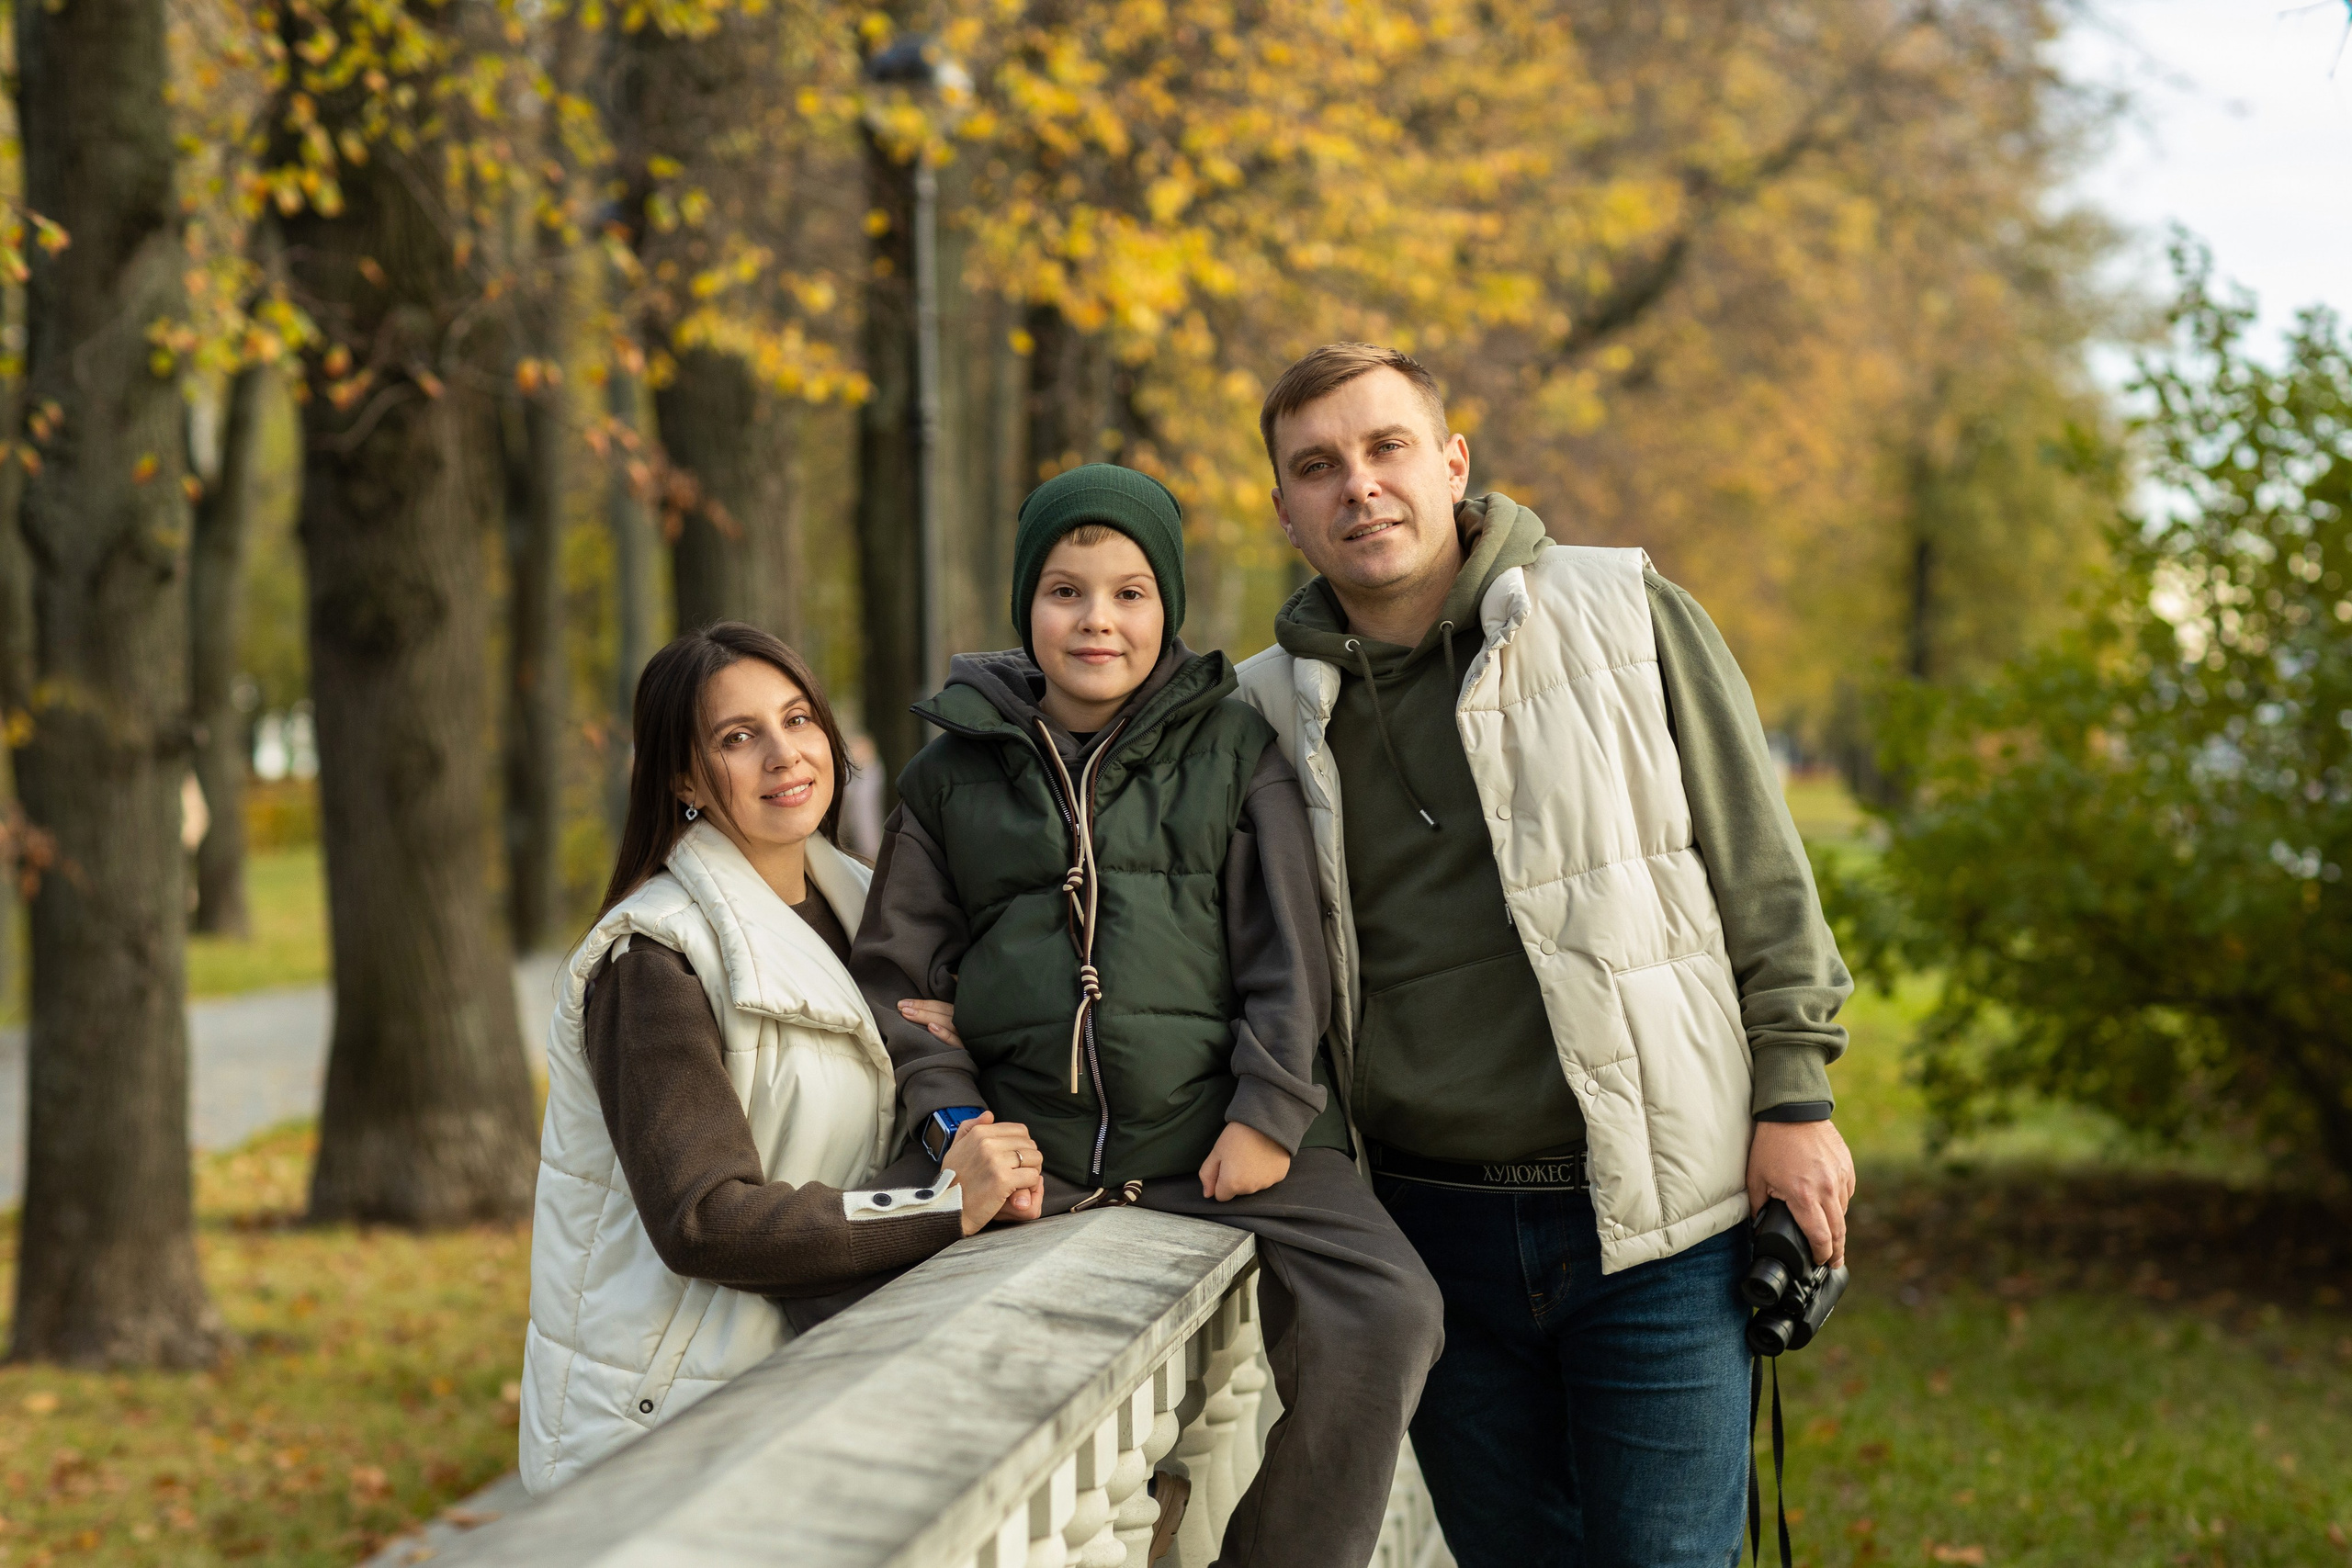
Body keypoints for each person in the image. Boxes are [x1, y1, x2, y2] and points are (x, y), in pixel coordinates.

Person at [1235, 344, 1859, 1568]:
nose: (1357, 485)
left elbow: (1763, 872)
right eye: (1318, 466)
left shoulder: (1626, 607)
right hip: (1429, 1234)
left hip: (1657, 1214)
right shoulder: (1255, 709)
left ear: (1451, 461)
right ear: (1287, 511)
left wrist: (1797, 1091)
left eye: (1385, 447)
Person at [854, 464, 1445, 1568]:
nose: (1097, 621)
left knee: (1390, 1313)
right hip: (1043, 1152)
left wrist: (1268, 1111)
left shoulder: (1230, 747)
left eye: (1130, 593)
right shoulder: (948, 776)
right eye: (1066, 591)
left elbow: (1289, 951)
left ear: (1165, 606)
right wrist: (957, 1128)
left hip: (1223, 1135)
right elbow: (898, 982)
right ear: (1027, 605)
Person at [518, 623, 1044, 1495]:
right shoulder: (653, 956)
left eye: (798, 719)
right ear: (683, 778)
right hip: (670, 1427)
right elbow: (705, 1218)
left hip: (809, 1386)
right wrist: (940, 1205)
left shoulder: (872, 915)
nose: (784, 754)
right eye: (738, 737)